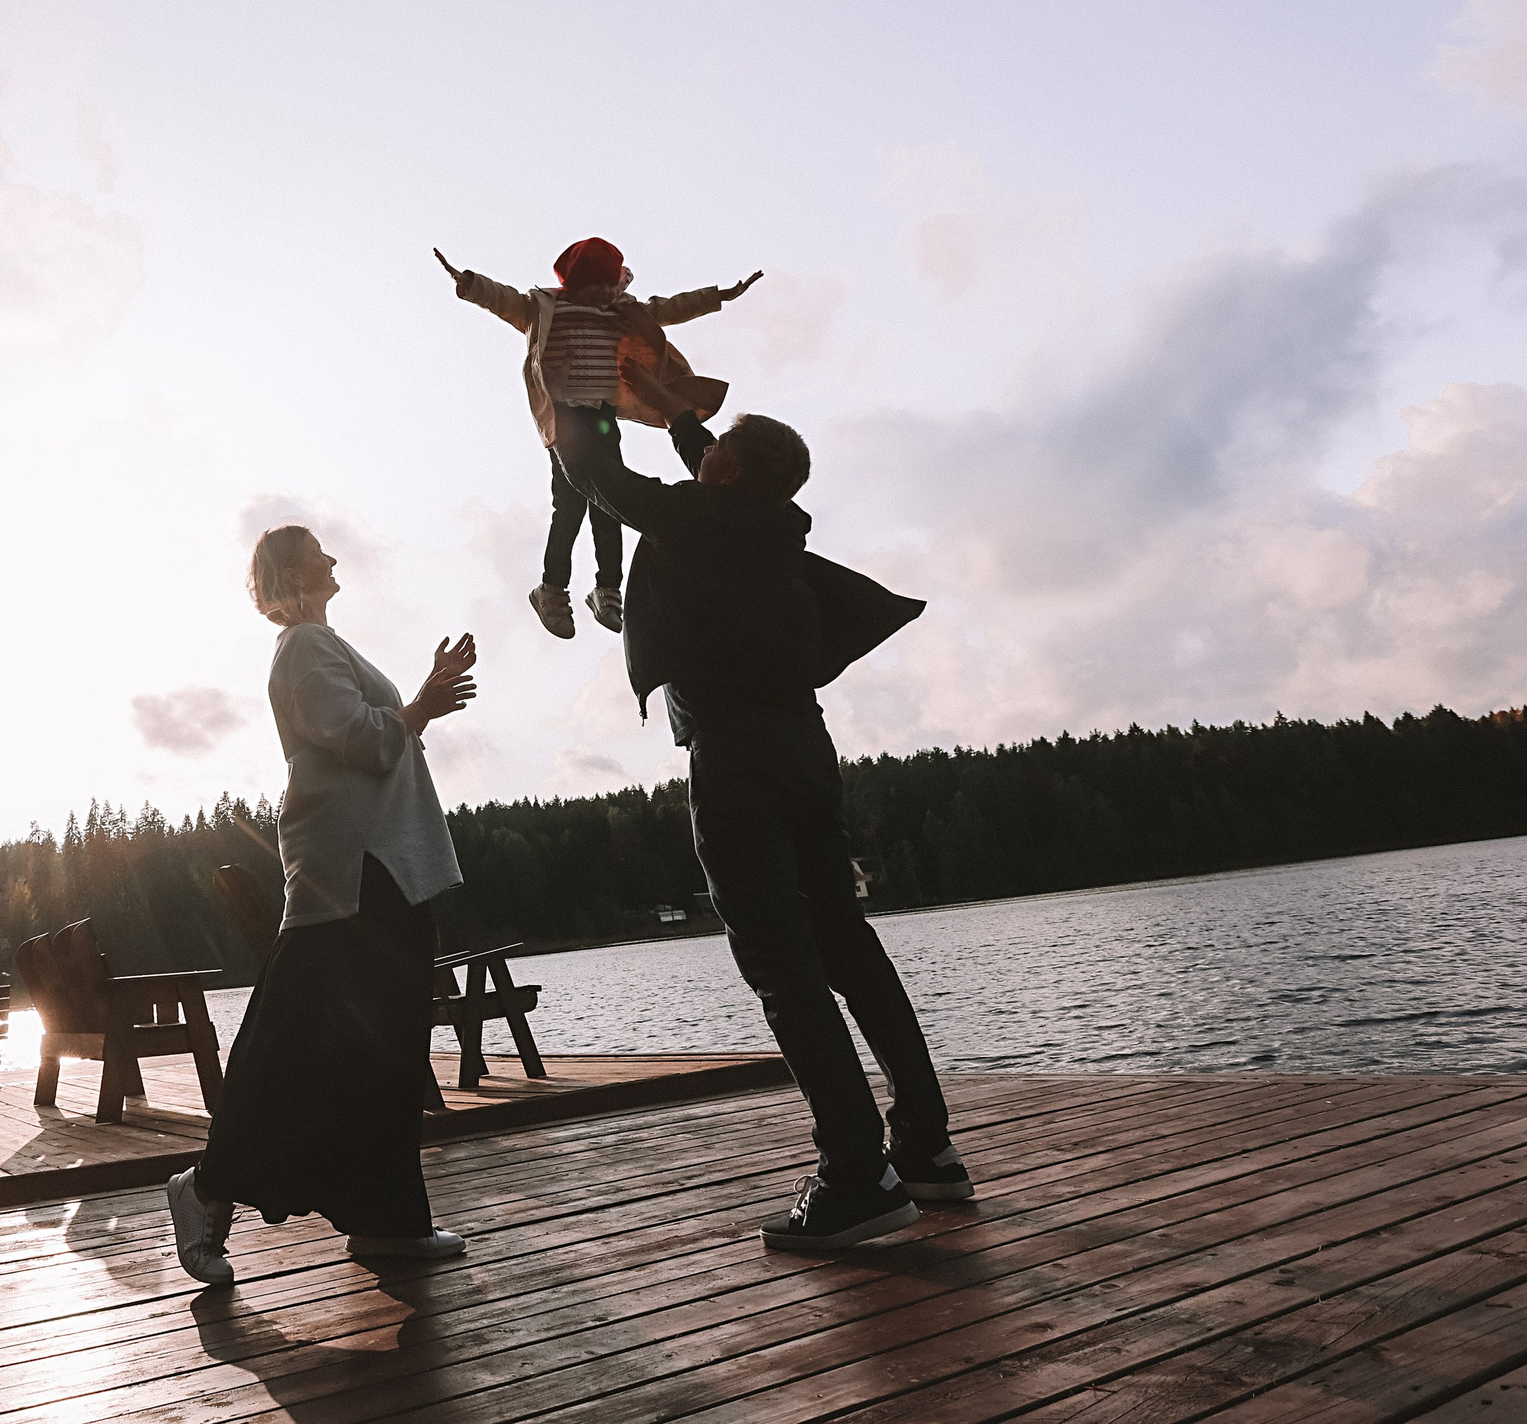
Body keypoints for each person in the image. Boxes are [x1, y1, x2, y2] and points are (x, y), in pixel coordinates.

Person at [550, 365, 966, 1253]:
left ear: (731, 471)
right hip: (805, 748)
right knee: (846, 942)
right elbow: (711, 470)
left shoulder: (698, 515)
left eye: (718, 446)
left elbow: (598, 476)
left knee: (782, 962)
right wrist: (676, 418)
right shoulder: (773, 523)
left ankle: (855, 1173)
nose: (706, 449)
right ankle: (926, 1146)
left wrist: (568, 392)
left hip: (735, 756)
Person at [164, 525, 479, 1286]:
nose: (333, 558)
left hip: (380, 870)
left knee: (382, 1055)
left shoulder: (324, 645)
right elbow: (361, 739)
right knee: (298, 1050)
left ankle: (386, 1220)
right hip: (352, 875)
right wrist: (421, 705)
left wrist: (421, 698)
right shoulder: (303, 647)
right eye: (317, 550)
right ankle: (205, 1189)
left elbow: (370, 735)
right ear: (289, 570)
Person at [435, 237, 757, 641]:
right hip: (565, 417)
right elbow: (504, 300)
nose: (607, 293)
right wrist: (469, 283)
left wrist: (717, 296)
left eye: (610, 284)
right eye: (598, 286)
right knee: (569, 506)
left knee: (611, 500)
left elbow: (669, 308)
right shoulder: (546, 307)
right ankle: (552, 588)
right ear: (577, 284)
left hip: (602, 416)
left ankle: (607, 588)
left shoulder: (622, 310)